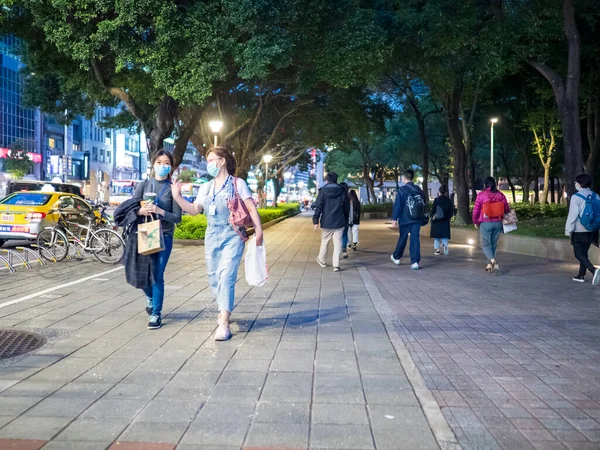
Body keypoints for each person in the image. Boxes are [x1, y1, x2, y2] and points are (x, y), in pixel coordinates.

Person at [172, 147, 263, 341]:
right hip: (212, 235)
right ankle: (223, 308)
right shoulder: (205, 187)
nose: (209, 164)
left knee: (227, 275)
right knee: (214, 277)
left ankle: (224, 322)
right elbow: (195, 210)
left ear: (222, 161)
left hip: (233, 235)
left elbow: (251, 208)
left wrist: (259, 230)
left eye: (212, 159)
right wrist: (177, 196)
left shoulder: (238, 184)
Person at [133, 150, 182, 330]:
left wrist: (160, 211)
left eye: (166, 162)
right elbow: (132, 208)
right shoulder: (144, 185)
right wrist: (141, 211)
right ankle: (151, 297)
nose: (163, 165)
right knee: (141, 275)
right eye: (159, 162)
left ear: (171, 166)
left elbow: (177, 217)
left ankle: (156, 314)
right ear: (153, 164)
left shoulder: (172, 188)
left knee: (157, 274)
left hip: (164, 235)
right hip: (146, 232)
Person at [565, 173, 600, 284]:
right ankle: (581, 275)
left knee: (578, 254)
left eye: (576, 182)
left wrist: (568, 229)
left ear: (580, 184)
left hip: (579, 230)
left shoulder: (576, 197)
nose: (575, 184)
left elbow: (572, 215)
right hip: (592, 229)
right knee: (584, 253)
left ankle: (594, 271)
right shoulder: (596, 196)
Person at [313, 172, 350, 272]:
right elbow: (346, 207)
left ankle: (322, 260)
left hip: (326, 221)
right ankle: (336, 265)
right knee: (338, 243)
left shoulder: (322, 191)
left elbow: (318, 207)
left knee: (325, 241)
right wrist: (346, 219)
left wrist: (315, 221)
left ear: (327, 180)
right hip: (340, 221)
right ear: (336, 180)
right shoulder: (342, 191)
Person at [472, 176, 509, 273]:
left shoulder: (481, 195)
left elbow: (476, 210)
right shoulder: (500, 195)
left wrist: (475, 221)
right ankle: (489, 265)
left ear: (485, 184)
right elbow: (506, 209)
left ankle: (493, 261)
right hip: (497, 223)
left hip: (486, 223)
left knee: (485, 244)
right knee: (493, 244)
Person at [430, 185, 453, 255]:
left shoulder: (436, 200)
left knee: (437, 237)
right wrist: (447, 218)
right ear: (446, 192)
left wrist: (432, 217)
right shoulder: (448, 201)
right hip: (445, 220)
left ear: (439, 191)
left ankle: (437, 250)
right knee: (444, 235)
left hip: (437, 221)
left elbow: (433, 210)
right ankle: (445, 246)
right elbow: (451, 211)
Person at [340, 182, 350, 259]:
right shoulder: (347, 196)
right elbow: (347, 210)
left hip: (336, 219)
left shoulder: (337, 195)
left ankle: (337, 252)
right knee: (344, 234)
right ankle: (344, 250)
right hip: (345, 219)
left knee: (337, 236)